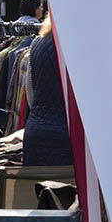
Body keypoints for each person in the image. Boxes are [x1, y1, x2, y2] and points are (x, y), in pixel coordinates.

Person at [23, 17, 73, 166]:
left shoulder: (37, 43)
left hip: (35, 131)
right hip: (67, 135)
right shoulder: (78, 46)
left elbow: (30, 91)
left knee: (36, 188)